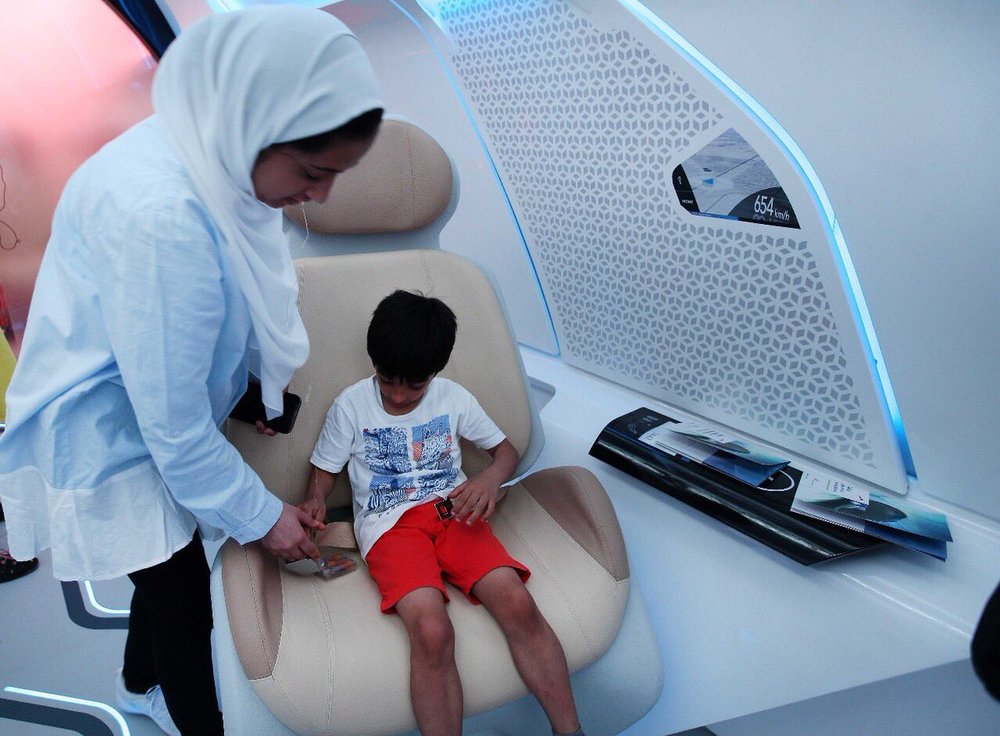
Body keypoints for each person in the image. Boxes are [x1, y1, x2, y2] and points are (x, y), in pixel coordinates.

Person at [0, 7, 383, 735]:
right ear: (253, 126)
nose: (322, 196)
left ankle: (137, 683)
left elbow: (201, 324)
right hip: (109, 433)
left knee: (163, 573)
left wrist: (253, 397)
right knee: (182, 600)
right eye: (313, 172)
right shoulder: (160, 218)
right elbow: (173, 430)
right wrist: (266, 518)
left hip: (145, 407)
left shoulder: (206, 152)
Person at [301, 290, 585, 736]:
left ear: (435, 372)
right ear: (374, 363)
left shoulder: (454, 399)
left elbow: (506, 453)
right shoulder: (351, 406)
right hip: (390, 528)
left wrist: (489, 480)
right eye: (387, 380)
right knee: (432, 631)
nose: (398, 395)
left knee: (518, 602)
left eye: (414, 385)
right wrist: (315, 498)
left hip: (455, 513)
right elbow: (324, 470)